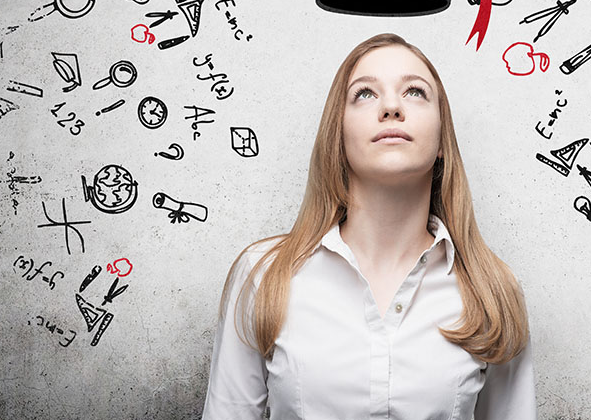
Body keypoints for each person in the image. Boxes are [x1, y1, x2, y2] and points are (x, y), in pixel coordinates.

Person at [201, 33, 536, 419]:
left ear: (443, 137)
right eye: (364, 94)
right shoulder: (263, 276)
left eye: (414, 91)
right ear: (338, 135)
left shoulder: (492, 291)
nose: (392, 106)